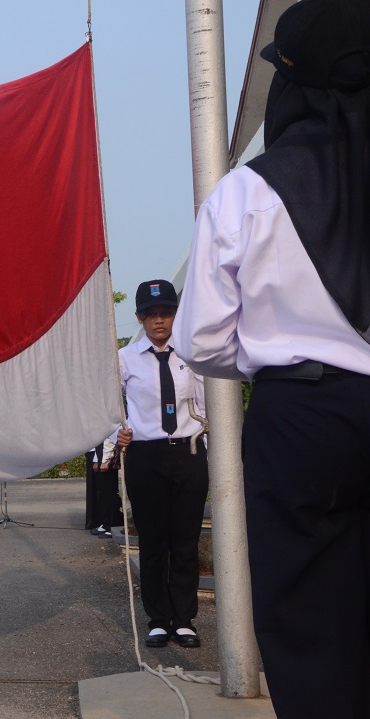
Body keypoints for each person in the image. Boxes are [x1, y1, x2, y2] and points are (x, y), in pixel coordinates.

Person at [172, 2, 370, 715]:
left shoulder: (247, 191)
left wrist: (274, 359)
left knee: (309, 621)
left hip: (302, 415)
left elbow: (201, 341)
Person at [115, 280, 208, 649]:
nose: (159, 321)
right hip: (146, 455)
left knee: (185, 541)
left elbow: (205, 407)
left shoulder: (191, 355)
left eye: (166, 313)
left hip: (187, 452)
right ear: (139, 317)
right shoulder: (125, 358)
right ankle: (157, 618)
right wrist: (115, 434)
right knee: (153, 542)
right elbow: (111, 405)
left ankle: (184, 619)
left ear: (175, 314)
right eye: (151, 314)